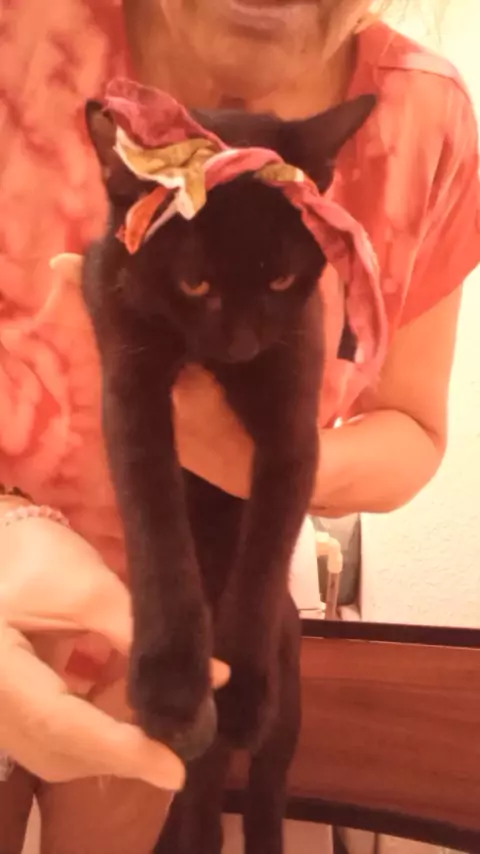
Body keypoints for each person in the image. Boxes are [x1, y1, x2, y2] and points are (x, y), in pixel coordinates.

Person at [0, 0, 479, 851]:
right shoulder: (21, 42)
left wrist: (266, 461)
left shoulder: (424, 120)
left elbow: (412, 426)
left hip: (182, 644)